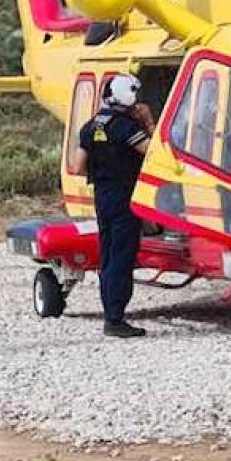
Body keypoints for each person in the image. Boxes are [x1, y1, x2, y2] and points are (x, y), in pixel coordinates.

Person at [74, 74, 154, 339]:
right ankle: (115, 319)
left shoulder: (89, 126)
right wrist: (148, 123)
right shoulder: (126, 128)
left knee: (108, 254)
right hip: (124, 196)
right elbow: (154, 154)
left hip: (102, 195)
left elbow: (77, 167)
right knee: (122, 255)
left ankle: (110, 310)